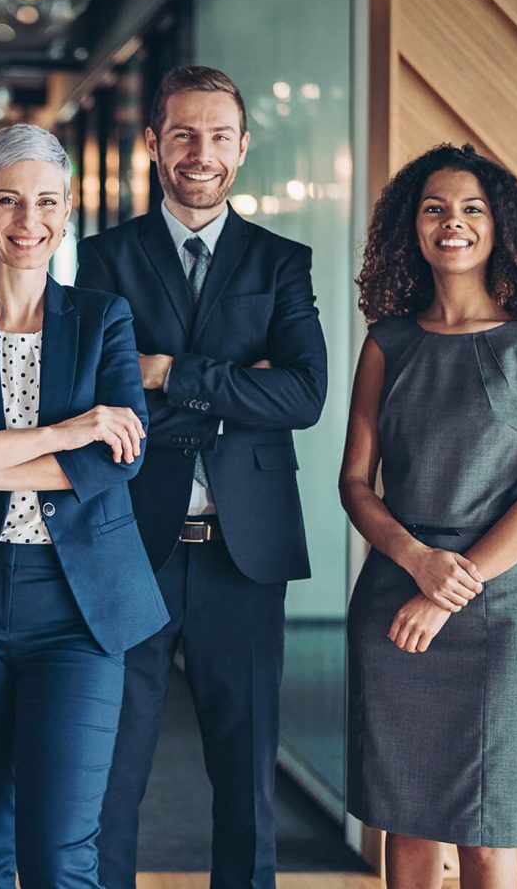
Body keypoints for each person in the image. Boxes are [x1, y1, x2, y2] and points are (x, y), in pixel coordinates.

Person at [0, 123, 168, 888]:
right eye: (8, 201)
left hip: (79, 612)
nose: (27, 221)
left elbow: (118, 460)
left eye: (45, 201)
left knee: (60, 852)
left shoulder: (103, 318)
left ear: (67, 209)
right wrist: (65, 431)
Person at [77, 65, 328, 889]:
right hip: (129, 547)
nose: (201, 152)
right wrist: (232, 384)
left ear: (243, 146)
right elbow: (99, 399)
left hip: (241, 552)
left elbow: (304, 392)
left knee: (246, 777)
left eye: (219, 135)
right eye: (183, 133)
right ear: (152, 144)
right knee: (111, 775)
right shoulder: (104, 260)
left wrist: (170, 373)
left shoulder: (281, 261)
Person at [341, 143, 517, 889]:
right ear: (410, 228)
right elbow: (353, 483)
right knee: (404, 822)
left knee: (485, 829)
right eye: (434, 208)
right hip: (393, 596)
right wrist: (416, 563)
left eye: (472, 208)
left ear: (499, 225)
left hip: (495, 608)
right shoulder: (387, 342)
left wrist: (448, 588)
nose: (453, 223)